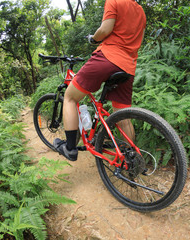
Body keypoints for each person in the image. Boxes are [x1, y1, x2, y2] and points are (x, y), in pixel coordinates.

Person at [53, 0, 146, 161]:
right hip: (128, 66)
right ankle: (132, 159)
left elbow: (105, 29)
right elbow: (139, 41)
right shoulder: (140, 12)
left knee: (70, 97)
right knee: (122, 116)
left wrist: (93, 39)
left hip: (108, 58)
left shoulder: (115, 1)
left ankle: (70, 149)